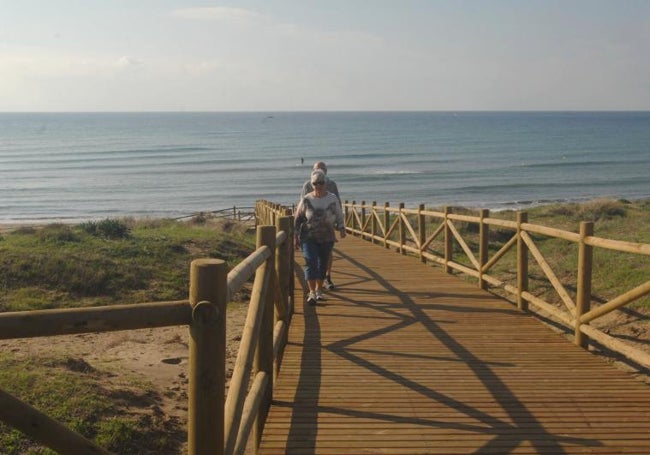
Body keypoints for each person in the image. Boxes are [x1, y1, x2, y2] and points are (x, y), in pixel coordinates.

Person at [294, 169, 346, 305]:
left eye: (321, 183)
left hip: (327, 237)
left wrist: (341, 227)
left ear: (325, 183)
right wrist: (295, 235)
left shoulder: (332, 198)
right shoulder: (306, 199)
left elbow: (339, 214)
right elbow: (298, 218)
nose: (318, 186)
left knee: (323, 264)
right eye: (315, 183)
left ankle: (318, 290)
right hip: (308, 236)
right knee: (311, 261)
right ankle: (311, 292)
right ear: (312, 184)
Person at [299, 161, 341, 289]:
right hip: (311, 226)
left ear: (326, 171)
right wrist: (299, 226)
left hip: (327, 225)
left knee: (327, 253)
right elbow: (302, 204)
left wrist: (340, 223)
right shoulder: (307, 185)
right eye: (317, 169)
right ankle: (316, 284)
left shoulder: (332, 185)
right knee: (312, 255)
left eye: (322, 169)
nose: (319, 172)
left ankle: (327, 277)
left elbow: (338, 203)